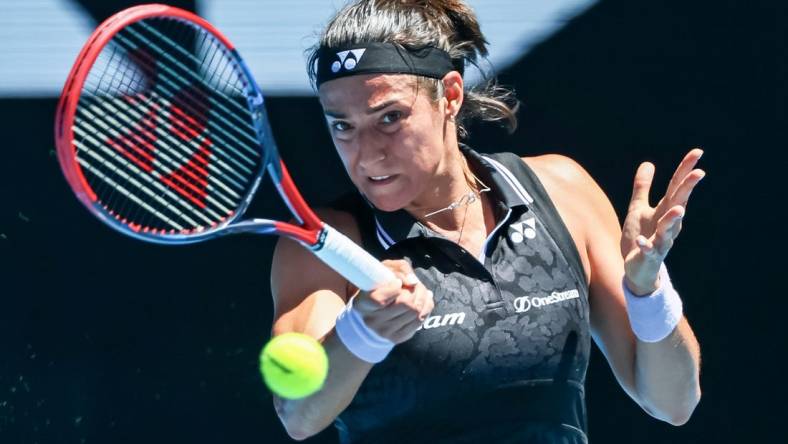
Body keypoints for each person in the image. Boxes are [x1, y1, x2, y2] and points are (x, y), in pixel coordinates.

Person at [270, 1, 703, 442]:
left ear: (451, 96)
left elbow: (673, 403)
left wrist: (647, 291)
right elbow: (298, 415)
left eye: (390, 117)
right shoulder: (324, 244)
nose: (367, 153)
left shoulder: (563, 190)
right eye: (342, 126)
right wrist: (362, 330)